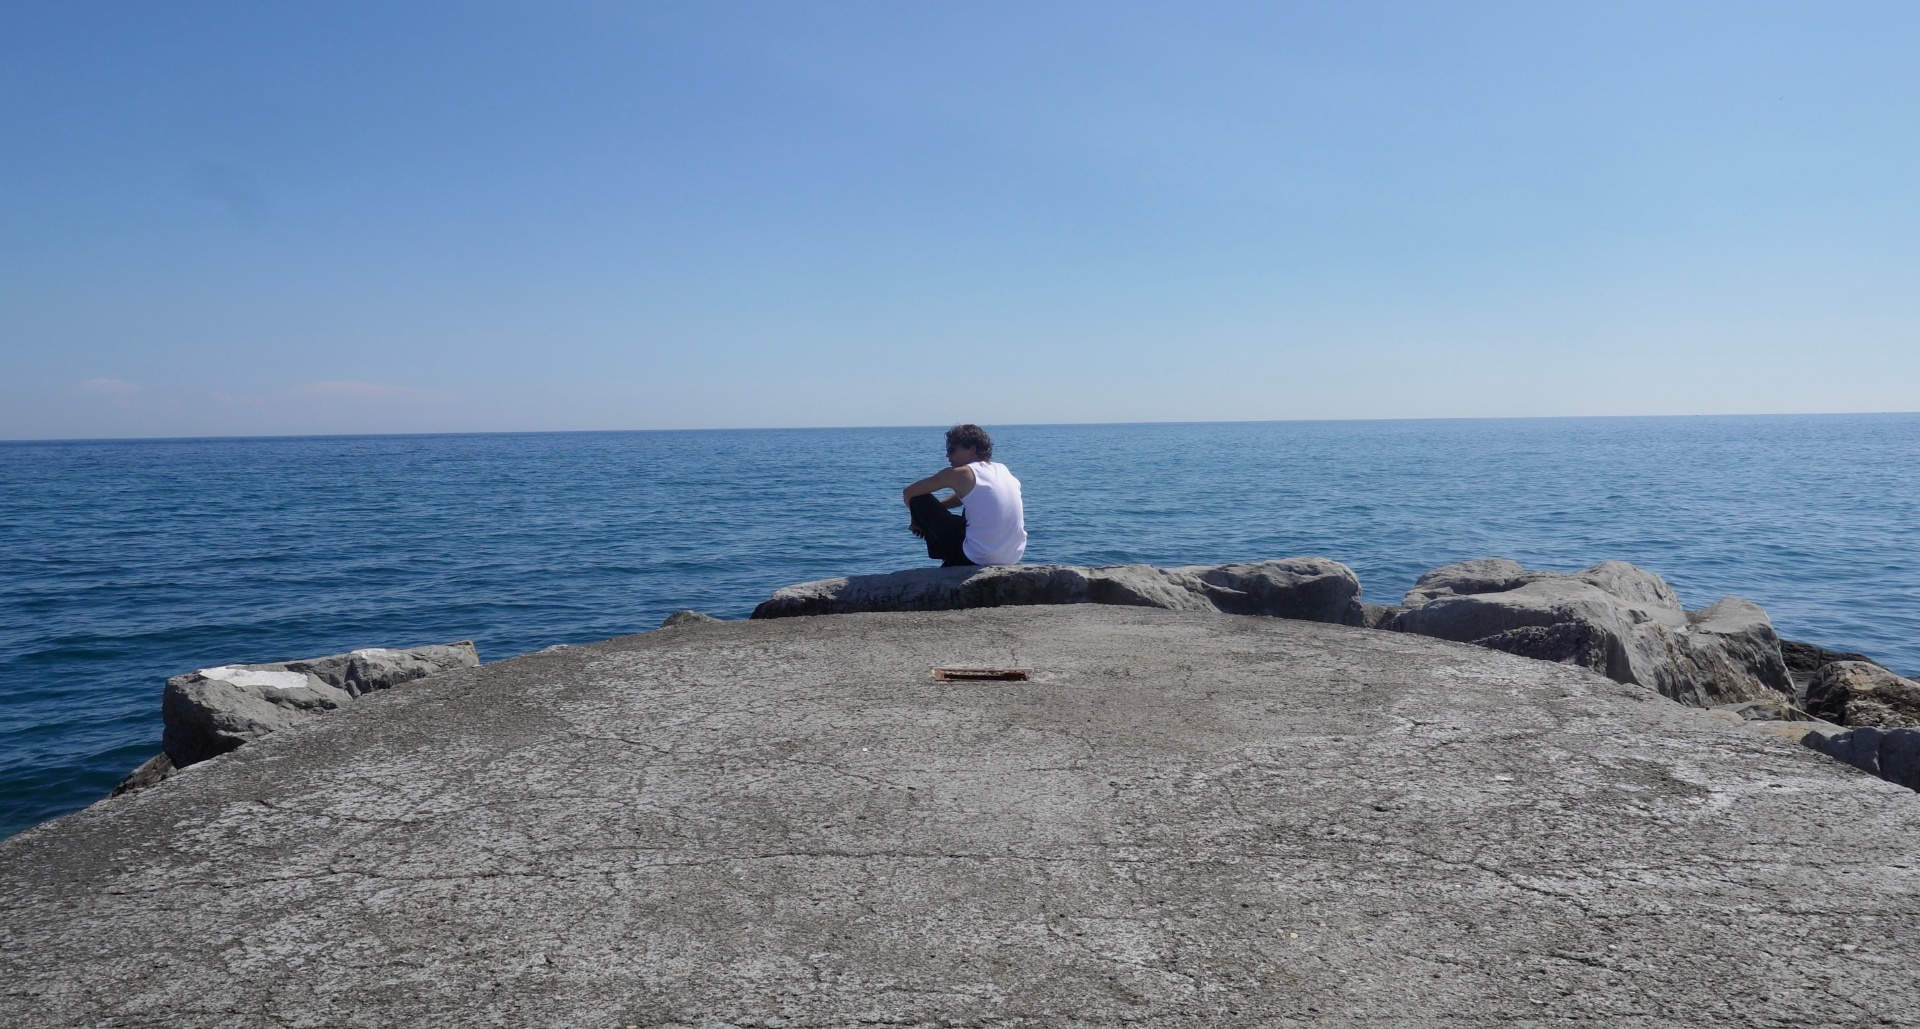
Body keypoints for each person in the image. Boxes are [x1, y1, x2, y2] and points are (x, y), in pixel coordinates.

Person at [901, 424, 1026, 567]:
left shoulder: (960, 473)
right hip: (1012, 556)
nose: (947, 455)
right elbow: (973, 496)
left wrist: (918, 520)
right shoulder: (1001, 469)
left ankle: (952, 559)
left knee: (919, 499)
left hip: (977, 557)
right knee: (971, 506)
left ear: (971, 449)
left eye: (951, 449)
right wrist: (938, 508)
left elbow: (909, 493)